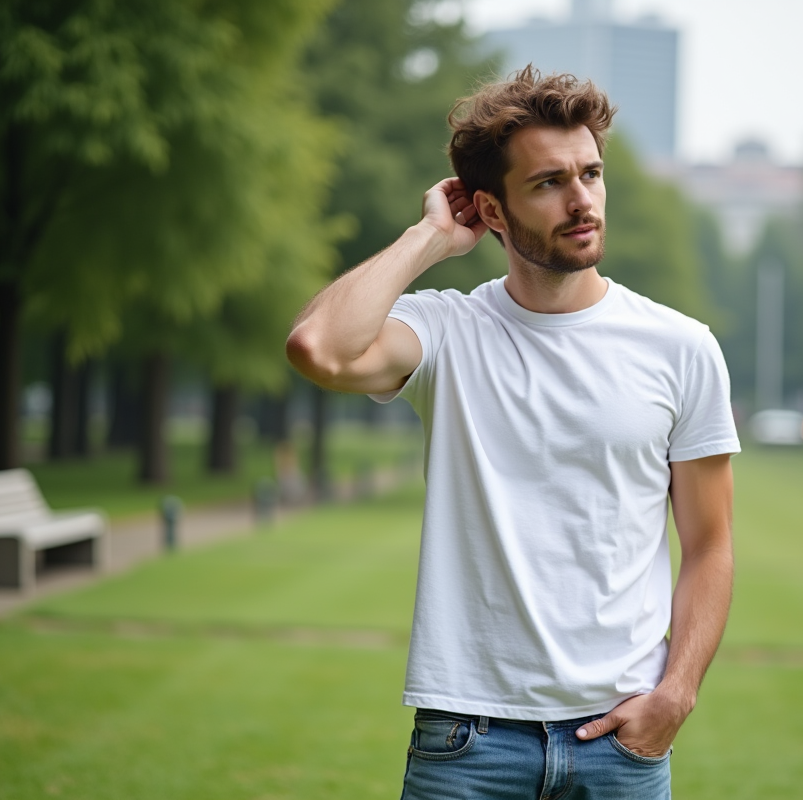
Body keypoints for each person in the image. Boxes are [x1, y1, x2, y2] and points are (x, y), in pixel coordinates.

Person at [286, 66, 740, 799]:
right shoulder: (445, 330)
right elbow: (319, 347)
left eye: (591, 174)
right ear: (492, 213)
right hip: (469, 741)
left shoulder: (681, 348)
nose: (582, 200)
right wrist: (429, 237)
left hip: (620, 741)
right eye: (549, 183)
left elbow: (710, 544)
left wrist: (677, 693)